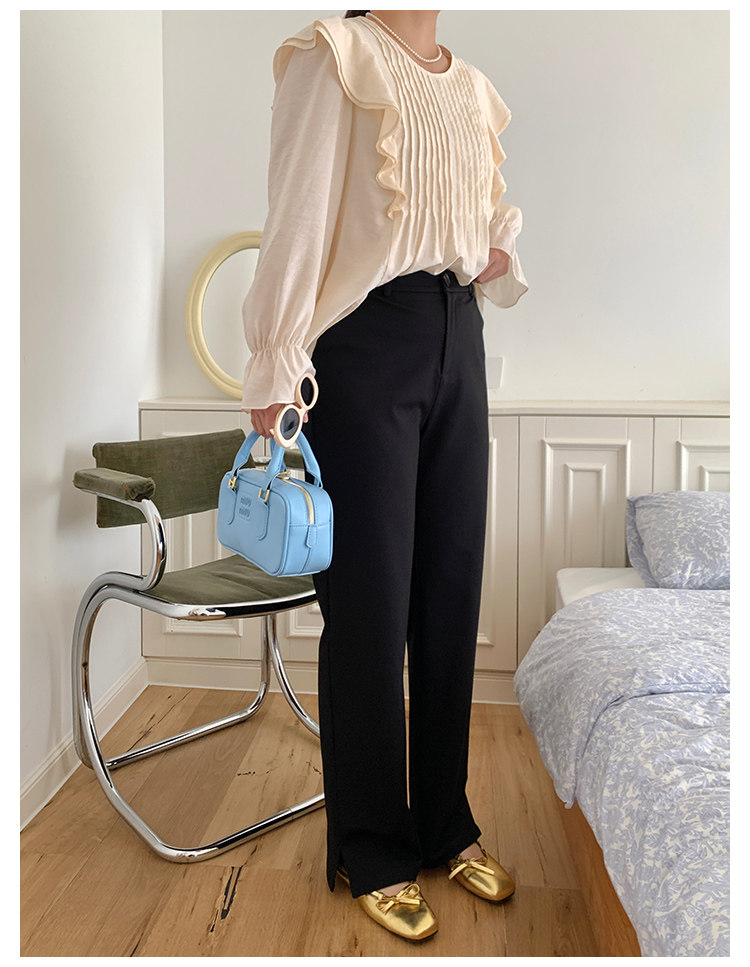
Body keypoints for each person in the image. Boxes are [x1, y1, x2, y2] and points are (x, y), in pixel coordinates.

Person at [241, 10, 528, 942]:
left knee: (450, 590)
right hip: (365, 346)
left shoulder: (470, 85)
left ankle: (445, 821)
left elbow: (477, 216)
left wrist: (489, 247)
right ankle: (370, 847)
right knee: (369, 606)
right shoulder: (335, 56)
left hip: (458, 333)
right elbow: (297, 215)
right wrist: (275, 362)